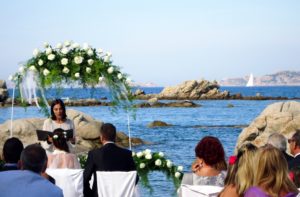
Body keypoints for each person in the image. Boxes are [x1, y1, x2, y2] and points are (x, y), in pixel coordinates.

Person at [83, 123, 138, 197]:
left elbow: (85, 179)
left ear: (101, 137)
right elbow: (135, 178)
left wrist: (90, 195)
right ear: (115, 137)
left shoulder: (94, 154)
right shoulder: (127, 154)